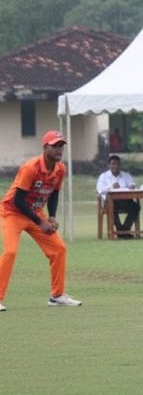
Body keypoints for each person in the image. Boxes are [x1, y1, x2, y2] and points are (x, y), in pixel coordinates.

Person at [0, 131, 82, 312]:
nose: (59, 149)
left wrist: (51, 216)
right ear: (45, 147)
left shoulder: (60, 169)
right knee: (10, 251)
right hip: (12, 212)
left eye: (61, 146)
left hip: (35, 212)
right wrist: (40, 222)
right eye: (55, 146)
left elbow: (54, 192)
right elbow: (18, 201)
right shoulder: (31, 167)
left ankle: (57, 296)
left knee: (59, 249)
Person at [96, 155, 141, 239]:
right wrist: (111, 187)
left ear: (120, 165)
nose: (115, 166)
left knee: (135, 206)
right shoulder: (104, 176)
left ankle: (124, 230)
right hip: (109, 202)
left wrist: (131, 186)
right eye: (113, 164)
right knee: (112, 207)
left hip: (125, 200)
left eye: (117, 164)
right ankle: (122, 232)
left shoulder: (126, 175)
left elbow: (132, 184)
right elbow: (99, 190)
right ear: (108, 165)